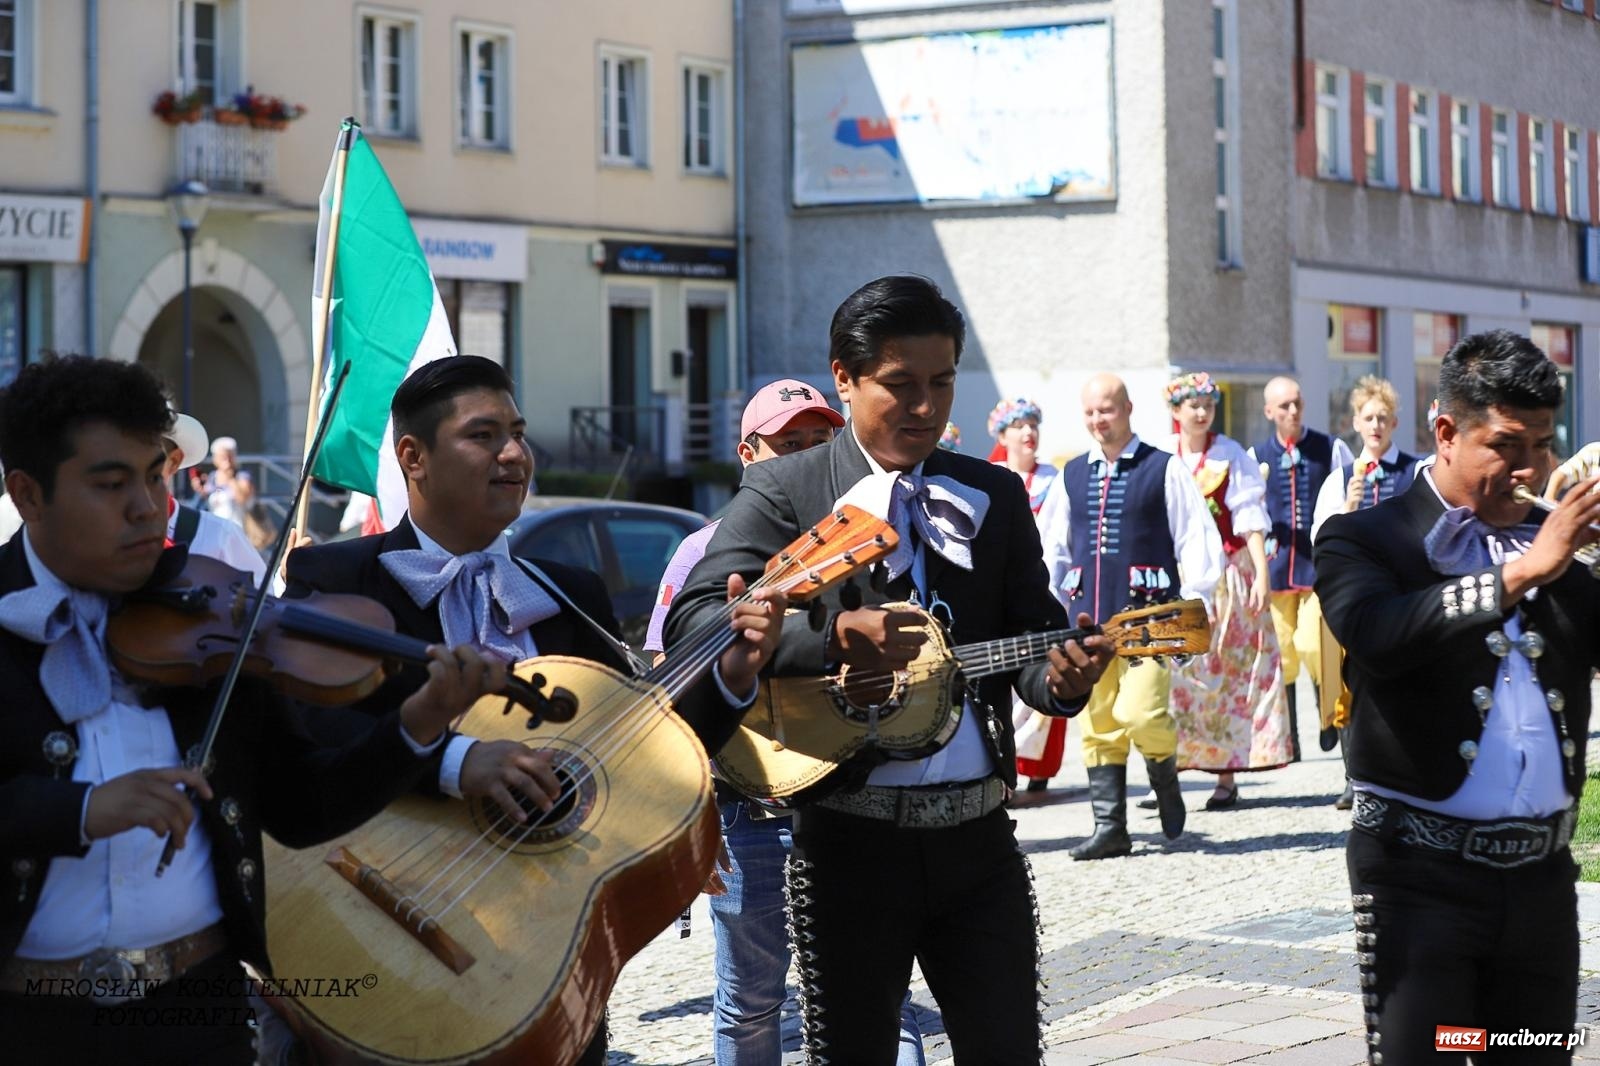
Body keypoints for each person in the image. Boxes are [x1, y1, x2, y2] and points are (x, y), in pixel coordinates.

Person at [0, 356, 506, 1064]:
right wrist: (82, 810)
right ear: (28, 495)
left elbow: (304, 807)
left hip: (199, 1012)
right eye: (112, 485)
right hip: (29, 1026)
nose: (149, 508)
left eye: (156, 475)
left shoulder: (215, 611)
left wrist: (419, 721)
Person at [284, 355, 787, 1066]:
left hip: (542, 967)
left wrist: (735, 671)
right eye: (484, 435)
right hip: (375, 932)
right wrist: (457, 761)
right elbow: (311, 732)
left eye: (517, 433)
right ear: (412, 457)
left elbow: (642, 743)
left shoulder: (569, 590)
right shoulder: (334, 577)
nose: (514, 454)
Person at [664, 275, 1112, 1063]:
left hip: (979, 838)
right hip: (847, 843)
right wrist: (831, 637)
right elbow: (695, 621)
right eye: (899, 386)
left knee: (1008, 1050)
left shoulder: (994, 493)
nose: (925, 408)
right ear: (844, 375)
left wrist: (1063, 678)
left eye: (941, 384)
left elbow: (1032, 645)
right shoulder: (785, 487)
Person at [1316, 330, 1598, 1066]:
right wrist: (1521, 574)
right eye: (1506, 445)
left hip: (1542, 883)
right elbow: (1375, 634)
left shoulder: (1559, 545)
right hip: (1417, 882)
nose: (1530, 468)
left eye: (1542, 444)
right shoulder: (1363, 538)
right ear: (1446, 431)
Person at [646, 380, 927, 1065]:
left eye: (816, 441)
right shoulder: (703, 552)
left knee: (884, 996)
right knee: (750, 1005)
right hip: (749, 811)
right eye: (785, 444)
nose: (804, 455)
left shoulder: (867, 538)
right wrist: (693, 814)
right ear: (748, 455)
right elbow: (667, 685)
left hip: (858, 800)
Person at [1035, 373, 1222, 859]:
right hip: (1086, 623)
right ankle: (1110, 827)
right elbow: (1051, 549)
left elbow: (1196, 541)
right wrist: (1048, 608)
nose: (1099, 420)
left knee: (1141, 713)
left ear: (1128, 408)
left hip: (1149, 625)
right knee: (1098, 725)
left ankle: (1164, 776)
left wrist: (1193, 613)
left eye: (1108, 410)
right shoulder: (1071, 475)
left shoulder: (1164, 468)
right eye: (1091, 412)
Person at [1160, 373, 1292, 810]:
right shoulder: (1165, 459)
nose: (1201, 412)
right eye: (1192, 404)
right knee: (1178, 675)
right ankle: (1172, 772)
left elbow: (1249, 517)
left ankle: (1227, 775)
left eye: (1208, 404)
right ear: (1176, 411)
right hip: (1179, 578)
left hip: (1226, 577)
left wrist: (1261, 573)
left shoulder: (1230, 455)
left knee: (1228, 673)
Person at [1311, 376, 1419, 811]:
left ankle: (1401, 770)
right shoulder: (1340, 478)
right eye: (1368, 418)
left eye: (1383, 418)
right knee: (1347, 685)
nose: (1375, 426)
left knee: (1396, 676)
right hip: (1353, 594)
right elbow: (1322, 536)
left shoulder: (1413, 471)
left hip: (1398, 588)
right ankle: (1355, 777)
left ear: (1394, 423)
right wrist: (1349, 508)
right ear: (1355, 422)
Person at [1250, 376, 1354, 760]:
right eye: (1284, 406)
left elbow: (1347, 495)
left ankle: (1328, 715)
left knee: (1318, 645)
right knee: (1284, 656)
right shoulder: (1256, 454)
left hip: (1317, 567)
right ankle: (1290, 735)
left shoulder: (1329, 448)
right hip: (1277, 570)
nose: (1293, 411)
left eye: (1297, 403)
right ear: (1269, 412)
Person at [986, 397, 1066, 793]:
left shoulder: (1056, 479)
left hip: (1047, 583)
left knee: (1046, 672)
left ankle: (1039, 769)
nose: (1028, 432)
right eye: (1019, 426)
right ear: (1003, 436)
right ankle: (1006, 764)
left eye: (1033, 425)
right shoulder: (991, 479)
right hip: (1006, 585)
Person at [161, 409, 266, 584]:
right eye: (222, 456)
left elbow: (243, 497)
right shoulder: (213, 479)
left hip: (238, 533)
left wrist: (230, 476)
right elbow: (205, 497)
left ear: (173, 462)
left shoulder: (242, 477)